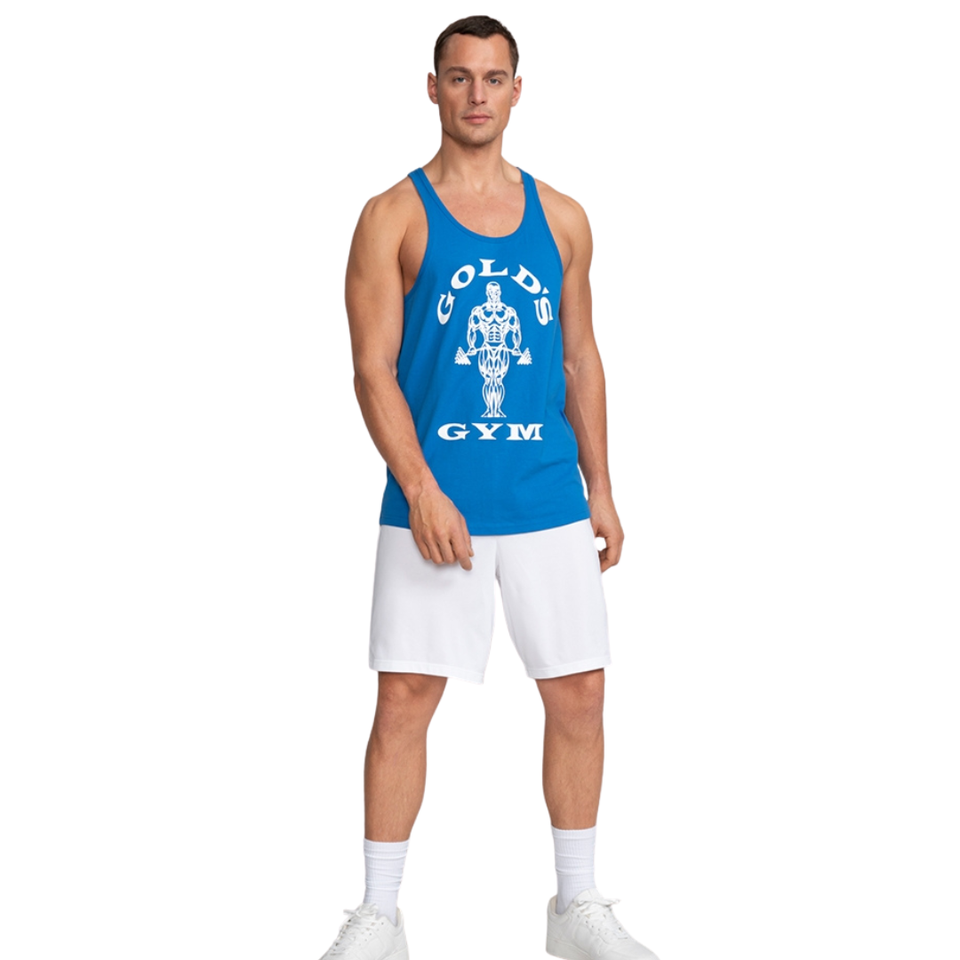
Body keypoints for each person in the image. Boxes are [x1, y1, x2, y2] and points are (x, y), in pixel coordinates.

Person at [322, 15, 659, 960]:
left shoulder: (564, 218)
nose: (478, 94)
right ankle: (379, 916)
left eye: (495, 77)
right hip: (436, 503)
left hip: (547, 494)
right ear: (432, 87)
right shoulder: (391, 215)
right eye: (461, 77)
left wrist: (601, 484)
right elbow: (371, 370)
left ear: (518, 90)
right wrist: (421, 487)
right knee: (405, 699)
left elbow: (581, 357)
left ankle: (576, 907)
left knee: (580, 693)